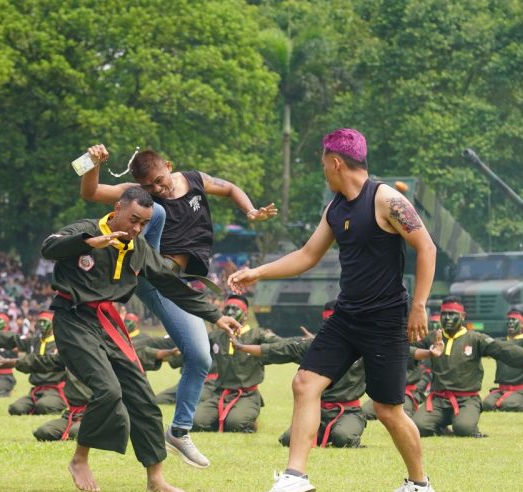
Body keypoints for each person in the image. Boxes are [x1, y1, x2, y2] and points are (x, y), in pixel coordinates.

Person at [228, 128, 438, 492]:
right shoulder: (335, 209)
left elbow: (426, 247)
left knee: (388, 409)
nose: (323, 171)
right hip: (346, 317)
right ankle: (294, 476)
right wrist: (258, 272)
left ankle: (419, 484)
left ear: (336, 162)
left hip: (385, 320)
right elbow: (307, 255)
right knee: (305, 382)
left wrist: (419, 305)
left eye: (324, 164)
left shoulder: (386, 199)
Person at [79, 143, 276, 469]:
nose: (157, 189)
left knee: (200, 356)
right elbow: (91, 191)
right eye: (149, 186)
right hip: (155, 276)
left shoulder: (195, 180)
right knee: (155, 211)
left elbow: (229, 188)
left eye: (159, 181)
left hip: (179, 281)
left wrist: (251, 210)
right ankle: (135, 268)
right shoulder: (141, 196)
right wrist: (92, 162)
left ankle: (179, 431)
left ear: (168, 166)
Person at [42, 186, 240, 492]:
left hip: (109, 323)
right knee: (108, 390)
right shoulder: (87, 229)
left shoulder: (139, 248)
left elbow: (172, 285)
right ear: (118, 208)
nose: (137, 228)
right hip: (73, 319)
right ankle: (80, 459)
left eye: (144, 224)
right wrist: (87, 242)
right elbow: (49, 247)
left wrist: (215, 316)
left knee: (143, 398)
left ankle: (155, 479)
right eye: (133, 219)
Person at [411, 299, 523, 437]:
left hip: (466, 400)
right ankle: (440, 424)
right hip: (438, 399)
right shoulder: (433, 337)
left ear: (462, 316)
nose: (447, 318)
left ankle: (462, 421)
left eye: (452, 314)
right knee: (417, 426)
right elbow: (407, 349)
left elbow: (504, 349)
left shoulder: (475, 339)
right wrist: (427, 353)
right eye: (444, 314)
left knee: (464, 428)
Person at [235, 301, 370, 448]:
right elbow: (282, 349)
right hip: (315, 411)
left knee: (343, 437)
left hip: (348, 412)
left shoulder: (362, 347)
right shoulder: (314, 346)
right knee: (289, 440)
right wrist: (242, 347)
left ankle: (343, 431)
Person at [191, 295, 280, 434]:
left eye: (235, 308)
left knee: (236, 424)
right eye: (227, 308)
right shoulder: (216, 336)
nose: (230, 312)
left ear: (245, 315)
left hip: (246, 395)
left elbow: (281, 346)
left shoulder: (257, 335)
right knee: (196, 422)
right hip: (220, 393)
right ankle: (219, 418)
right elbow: (195, 352)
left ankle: (247, 419)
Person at [482, 309, 523, 412]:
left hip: (522, 390)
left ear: (522, 324)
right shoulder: (499, 343)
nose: (510, 322)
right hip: (502, 389)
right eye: (509, 320)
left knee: (507, 405)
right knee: (486, 405)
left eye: (514, 320)